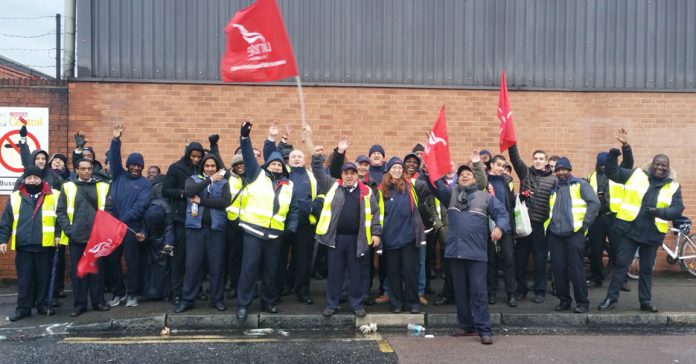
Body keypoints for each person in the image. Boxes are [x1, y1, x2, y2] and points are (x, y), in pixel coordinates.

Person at [426, 163, 510, 345]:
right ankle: (466, 325)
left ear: (475, 178)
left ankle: (484, 329)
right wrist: (429, 169)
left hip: (476, 253)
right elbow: (435, 185)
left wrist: (500, 227)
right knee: (461, 293)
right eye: (461, 174)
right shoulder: (451, 195)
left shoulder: (485, 197)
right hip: (455, 252)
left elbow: (503, 214)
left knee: (478, 292)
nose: (464, 176)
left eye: (468, 174)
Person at [598, 149, 683, 312]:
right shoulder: (636, 174)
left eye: (663, 165)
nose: (660, 167)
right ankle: (611, 298)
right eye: (657, 164)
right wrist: (614, 155)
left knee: (646, 269)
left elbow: (677, 209)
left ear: (668, 167)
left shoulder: (673, 186)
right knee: (621, 265)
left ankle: (645, 301)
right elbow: (612, 173)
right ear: (652, 164)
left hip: (652, 234)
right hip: (630, 230)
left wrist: (660, 212)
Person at [235, 120, 298, 321]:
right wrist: (245, 136)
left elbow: (293, 209)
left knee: (271, 270)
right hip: (253, 230)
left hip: (275, 234)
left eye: (279, 163)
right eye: (273, 163)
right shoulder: (256, 174)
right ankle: (243, 304)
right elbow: (247, 154)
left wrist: (290, 228)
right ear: (267, 165)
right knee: (249, 269)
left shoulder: (288, 184)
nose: (277, 166)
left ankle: (268, 301)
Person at [311, 148, 381, 317]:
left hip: (357, 239)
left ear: (357, 175)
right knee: (334, 273)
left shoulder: (366, 191)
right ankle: (331, 304)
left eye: (352, 173)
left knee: (356, 274)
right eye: (346, 173)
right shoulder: (333, 186)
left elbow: (375, 213)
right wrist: (316, 158)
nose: (349, 176)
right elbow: (319, 172)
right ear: (341, 175)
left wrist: (376, 233)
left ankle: (357, 305)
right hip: (335, 239)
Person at [264, 122, 319, 305]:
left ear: (304, 161)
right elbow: (271, 155)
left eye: (299, 157)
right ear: (288, 160)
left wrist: (311, 208)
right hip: (283, 223)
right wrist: (278, 138)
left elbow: (321, 197)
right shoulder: (283, 173)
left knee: (303, 260)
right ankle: (279, 289)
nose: (296, 159)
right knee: (278, 259)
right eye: (293, 156)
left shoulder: (312, 175)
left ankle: (302, 291)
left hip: (305, 225)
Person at [0, 166, 60, 321]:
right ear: (24, 180)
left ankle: (42, 305)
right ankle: (23, 309)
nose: (32, 180)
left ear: (41, 179)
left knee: (43, 278)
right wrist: (2, 240)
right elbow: (6, 221)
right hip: (24, 245)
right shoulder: (15, 197)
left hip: (45, 245)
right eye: (29, 178)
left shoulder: (53, 195)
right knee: (25, 280)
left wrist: (58, 235)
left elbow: (60, 218)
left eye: (36, 178)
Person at [104, 124, 153, 308]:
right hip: (113, 227)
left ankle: (133, 294)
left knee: (132, 263)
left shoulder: (145, 184)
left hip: (131, 227)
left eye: (138, 165)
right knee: (112, 261)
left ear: (142, 167)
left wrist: (122, 221)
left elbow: (141, 206)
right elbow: (114, 158)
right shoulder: (118, 176)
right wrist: (116, 140)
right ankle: (118, 293)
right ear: (127, 166)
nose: (135, 167)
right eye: (132, 164)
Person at [56, 158, 112, 317]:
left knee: (97, 272)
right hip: (76, 237)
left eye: (89, 168)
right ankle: (79, 305)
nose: (87, 171)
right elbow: (60, 211)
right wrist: (69, 230)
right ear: (76, 170)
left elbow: (109, 209)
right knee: (78, 273)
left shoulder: (103, 187)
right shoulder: (67, 187)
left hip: (97, 237)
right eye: (83, 169)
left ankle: (98, 302)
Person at [175, 153, 230, 313]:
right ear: (202, 167)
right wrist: (210, 180)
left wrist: (202, 201)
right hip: (195, 230)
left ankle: (217, 300)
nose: (210, 169)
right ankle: (187, 300)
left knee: (216, 267)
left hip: (216, 230)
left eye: (213, 166)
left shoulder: (225, 182)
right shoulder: (193, 179)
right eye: (207, 166)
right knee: (192, 266)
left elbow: (224, 202)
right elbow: (190, 191)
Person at [544, 157, 600, 313]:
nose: (561, 172)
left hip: (575, 234)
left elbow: (595, 203)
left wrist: (585, 225)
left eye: (564, 169)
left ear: (570, 170)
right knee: (558, 270)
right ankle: (564, 301)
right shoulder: (554, 189)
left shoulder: (580, 184)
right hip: (556, 235)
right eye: (559, 170)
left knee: (577, 270)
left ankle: (582, 303)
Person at [377, 157, 427, 314]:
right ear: (389, 170)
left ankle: (413, 303)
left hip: (408, 238)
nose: (397, 170)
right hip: (390, 239)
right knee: (393, 274)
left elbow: (428, 187)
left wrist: (428, 170)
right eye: (394, 168)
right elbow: (376, 214)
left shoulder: (412, 187)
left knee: (411, 273)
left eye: (400, 168)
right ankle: (396, 303)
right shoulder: (380, 190)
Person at [508, 144, 556, 303]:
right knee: (520, 259)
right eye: (535, 158)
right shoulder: (525, 173)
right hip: (524, 224)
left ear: (546, 161)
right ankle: (521, 290)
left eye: (541, 159)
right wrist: (511, 143)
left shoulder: (553, 179)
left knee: (540, 260)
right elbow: (515, 159)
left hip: (540, 225)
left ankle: (539, 291)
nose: (537, 161)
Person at [586, 129, 634, 289]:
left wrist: (626, 146)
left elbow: (628, 163)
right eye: (599, 164)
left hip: (615, 217)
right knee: (595, 250)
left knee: (619, 251)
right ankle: (596, 277)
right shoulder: (591, 177)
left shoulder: (618, 174)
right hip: (597, 218)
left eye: (604, 164)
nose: (602, 167)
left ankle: (622, 280)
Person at [163, 138, 205, 304]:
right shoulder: (176, 168)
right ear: (188, 155)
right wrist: (183, 193)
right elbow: (166, 190)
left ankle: (197, 289)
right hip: (181, 218)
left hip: (199, 218)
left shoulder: (203, 170)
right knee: (179, 258)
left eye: (199, 157)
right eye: (193, 156)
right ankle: (177, 292)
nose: (196, 159)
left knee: (197, 258)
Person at [486, 155, 518, 307]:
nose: (501, 168)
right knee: (490, 261)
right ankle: (491, 293)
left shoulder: (507, 181)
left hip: (505, 226)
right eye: (498, 165)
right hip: (488, 226)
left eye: (503, 166)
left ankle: (511, 293)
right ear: (491, 165)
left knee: (509, 260)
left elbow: (511, 203)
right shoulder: (484, 181)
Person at [224, 153, 245, 300]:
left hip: (250, 223)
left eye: (242, 163)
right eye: (237, 165)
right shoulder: (229, 179)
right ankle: (234, 286)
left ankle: (247, 287)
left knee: (249, 259)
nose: (240, 166)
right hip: (233, 223)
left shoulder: (255, 179)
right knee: (234, 257)